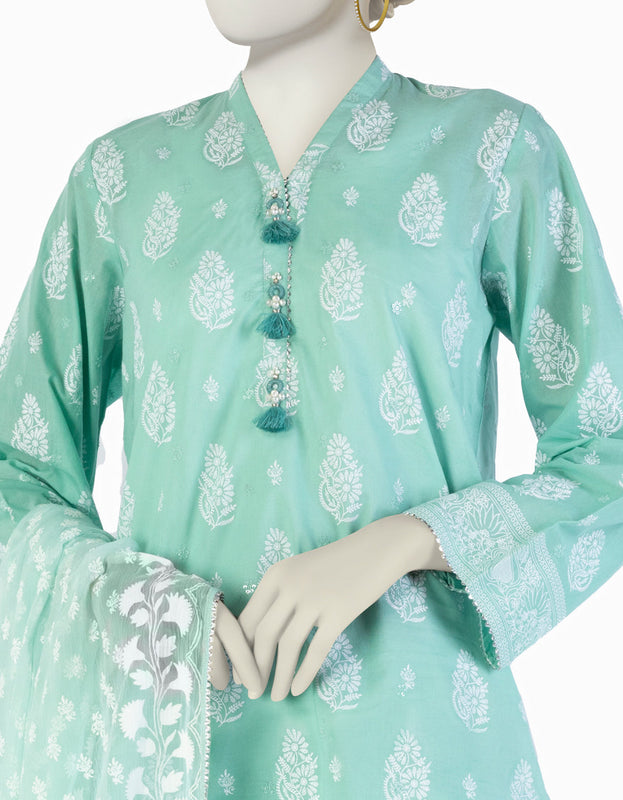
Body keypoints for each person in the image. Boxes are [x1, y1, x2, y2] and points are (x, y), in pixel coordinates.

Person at [0, 0, 621, 797]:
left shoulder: (492, 150)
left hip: (424, 747)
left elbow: (605, 452)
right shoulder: (120, 177)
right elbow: (18, 470)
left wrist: (404, 541)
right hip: (181, 744)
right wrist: (146, 607)